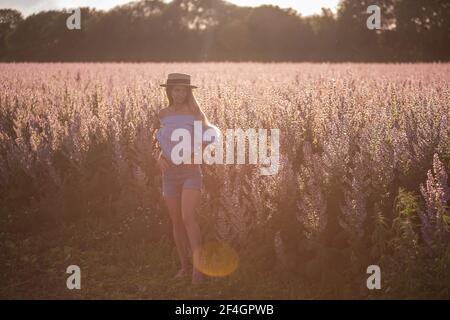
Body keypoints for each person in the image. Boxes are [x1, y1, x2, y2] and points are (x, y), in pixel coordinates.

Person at [154, 73, 219, 285]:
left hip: (191, 172)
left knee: (188, 217)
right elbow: (158, 139)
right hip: (169, 174)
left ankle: (197, 271)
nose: (180, 94)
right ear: (169, 91)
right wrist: (158, 155)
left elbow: (212, 135)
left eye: (184, 90)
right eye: (176, 90)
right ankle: (184, 266)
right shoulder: (163, 113)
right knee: (176, 222)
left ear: (188, 92)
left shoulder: (195, 113)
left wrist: (196, 153)